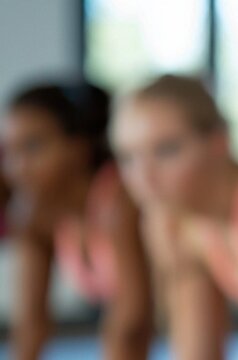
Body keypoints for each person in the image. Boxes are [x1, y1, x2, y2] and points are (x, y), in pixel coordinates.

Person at [111, 75, 238, 359]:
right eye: (128, 157)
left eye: (166, 150)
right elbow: (197, 349)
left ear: (218, 142)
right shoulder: (174, 221)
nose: (144, 176)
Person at [3, 82, 152, 360]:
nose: (17, 167)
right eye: (9, 152)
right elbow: (30, 325)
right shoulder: (34, 219)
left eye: (33, 146)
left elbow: (131, 326)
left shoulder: (120, 200)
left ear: (78, 147)